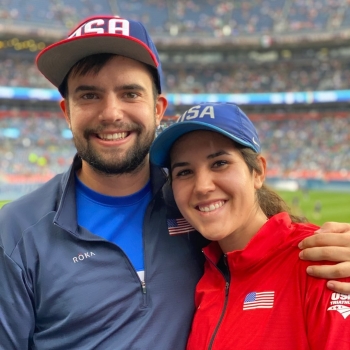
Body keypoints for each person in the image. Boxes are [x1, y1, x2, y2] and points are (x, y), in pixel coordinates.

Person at [0, 14, 349, 350]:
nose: (111, 113)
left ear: (158, 108)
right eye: (89, 95)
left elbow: (265, 247)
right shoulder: (16, 233)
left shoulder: (196, 212)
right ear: (66, 111)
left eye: (130, 93)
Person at [149, 102, 350, 349]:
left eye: (219, 163)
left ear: (258, 173)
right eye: (184, 172)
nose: (202, 186)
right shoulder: (203, 273)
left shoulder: (321, 261)